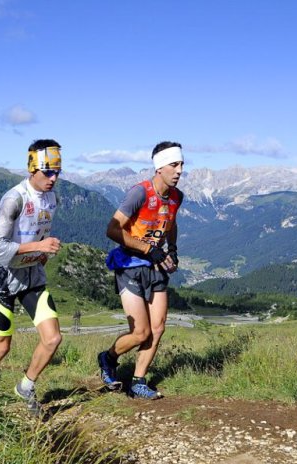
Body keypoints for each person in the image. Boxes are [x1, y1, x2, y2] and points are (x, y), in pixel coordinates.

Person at [0, 139, 63, 414]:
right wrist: (39, 246)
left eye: (57, 172)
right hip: (4, 278)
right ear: (32, 169)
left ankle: (25, 387)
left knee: (52, 338)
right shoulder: (13, 200)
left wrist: (43, 251)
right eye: (47, 172)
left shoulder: (53, 198)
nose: (53, 178)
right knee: (2, 347)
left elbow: (37, 231)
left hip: (33, 276)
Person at [98, 141, 184, 399]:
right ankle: (108, 357)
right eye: (174, 165)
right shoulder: (140, 193)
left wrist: (173, 249)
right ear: (160, 167)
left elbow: (171, 223)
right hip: (130, 265)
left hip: (156, 266)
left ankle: (138, 381)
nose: (180, 170)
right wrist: (148, 249)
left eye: (182, 164)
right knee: (140, 332)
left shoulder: (177, 197)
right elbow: (112, 229)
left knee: (158, 328)